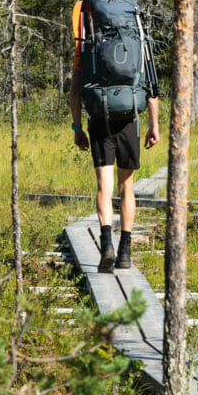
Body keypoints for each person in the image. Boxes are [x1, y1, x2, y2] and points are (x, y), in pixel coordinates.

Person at [70, 48, 159, 273]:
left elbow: (75, 93)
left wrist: (77, 128)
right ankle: (125, 252)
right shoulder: (139, 44)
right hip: (129, 122)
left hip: (100, 121)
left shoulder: (87, 44)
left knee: (104, 187)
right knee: (127, 187)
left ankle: (107, 245)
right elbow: (151, 91)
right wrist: (154, 126)